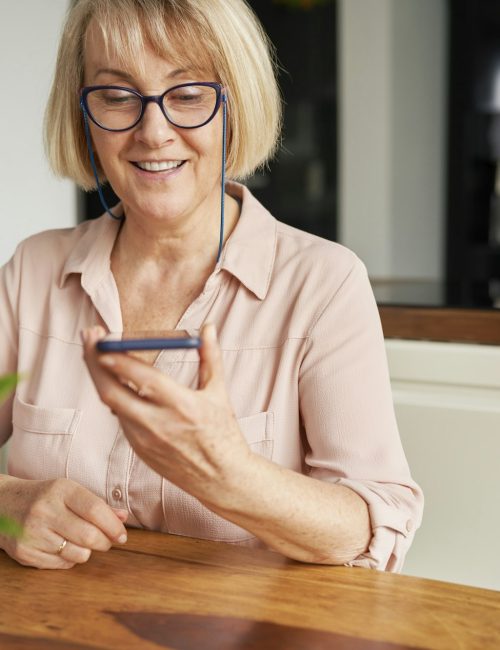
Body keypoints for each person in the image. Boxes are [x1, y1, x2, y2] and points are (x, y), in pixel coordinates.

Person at [0, 0, 422, 571]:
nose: (153, 133)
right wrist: (10, 503)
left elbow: (375, 522)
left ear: (235, 106)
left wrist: (231, 474)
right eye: (118, 96)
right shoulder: (32, 270)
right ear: (82, 113)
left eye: (189, 94)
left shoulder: (323, 283)